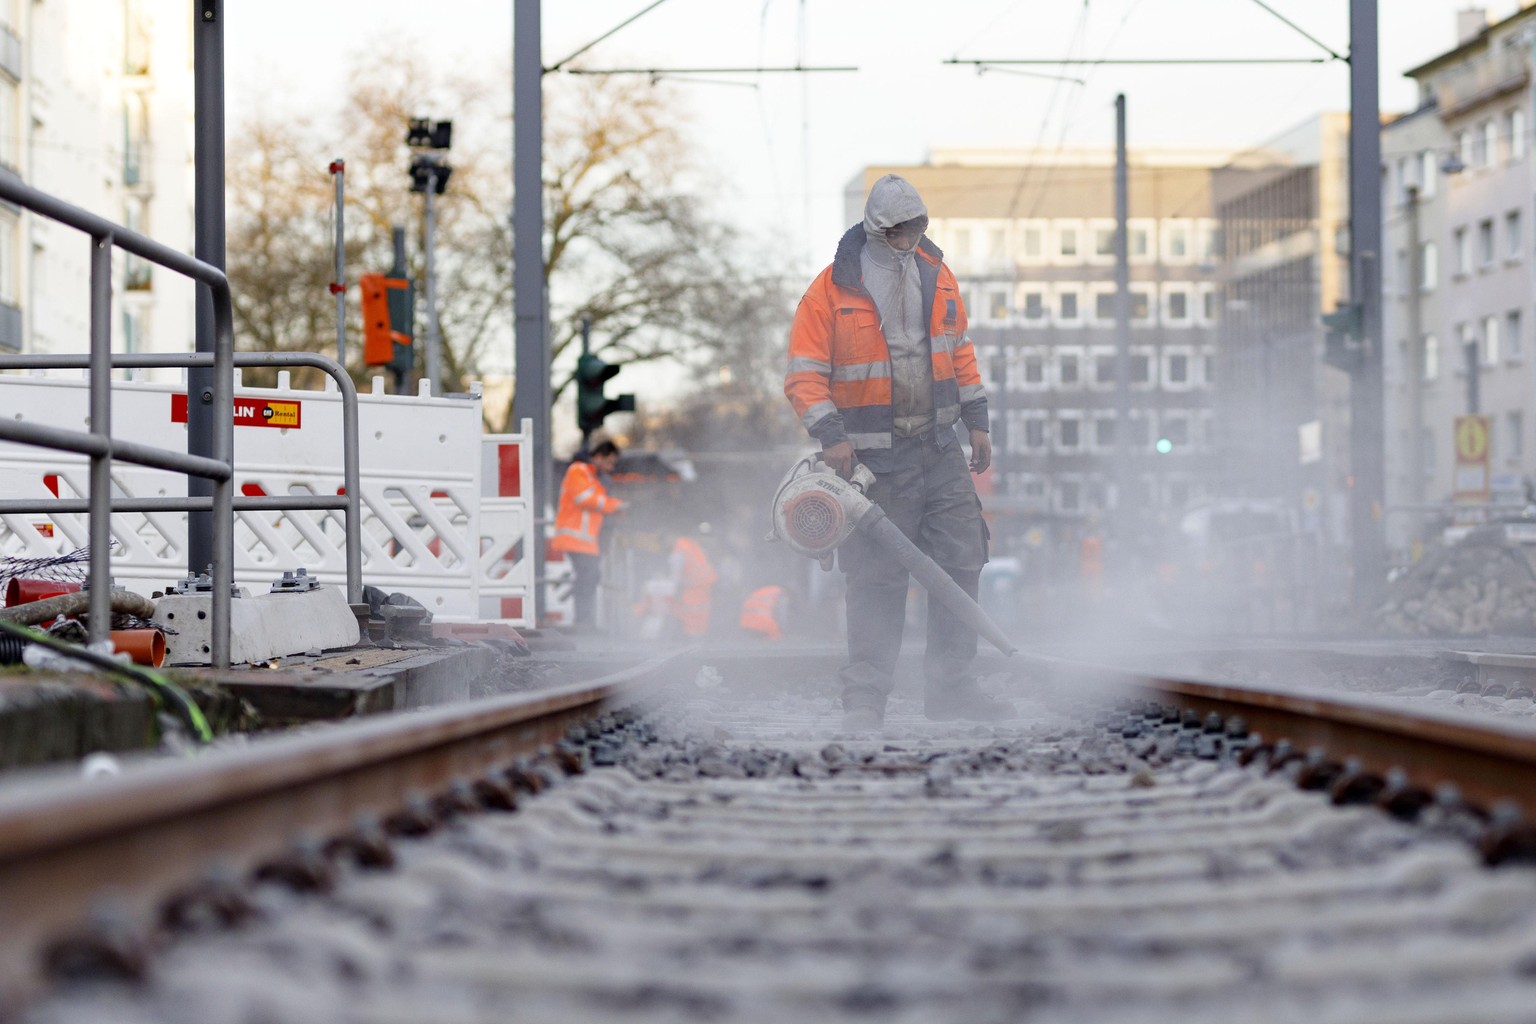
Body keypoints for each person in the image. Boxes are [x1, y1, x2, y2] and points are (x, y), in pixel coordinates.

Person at [785, 173, 1011, 731]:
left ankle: (952, 691)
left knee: (962, 561)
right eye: (898, 231)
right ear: (877, 229)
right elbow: (804, 377)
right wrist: (832, 437)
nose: (908, 240)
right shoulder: (830, 291)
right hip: (872, 463)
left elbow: (960, 353)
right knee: (876, 577)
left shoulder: (937, 275)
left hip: (938, 448)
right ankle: (865, 699)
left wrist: (977, 422)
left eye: (915, 229)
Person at [549, 440, 625, 629]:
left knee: (590, 577)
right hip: (575, 538)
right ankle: (583, 621)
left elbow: (596, 501)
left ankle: (585, 621)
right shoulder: (578, 470)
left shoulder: (591, 476)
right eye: (609, 462)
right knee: (587, 578)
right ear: (598, 457)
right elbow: (586, 499)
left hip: (585, 540)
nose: (611, 467)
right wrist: (615, 506)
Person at [666, 524, 718, 637]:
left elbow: (675, 576)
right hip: (704, 587)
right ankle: (698, 641)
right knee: (700, 619)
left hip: (691, 589)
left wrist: (671, 591)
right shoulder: (692, 546)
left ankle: (691, 641)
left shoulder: (678, 551)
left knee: (690, 619)